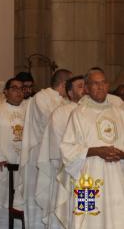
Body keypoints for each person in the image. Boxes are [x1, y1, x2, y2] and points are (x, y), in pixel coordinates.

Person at [58, 69, 124, 229]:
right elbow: (67, 149)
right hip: (86, 181)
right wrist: (95, 151)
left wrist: (122, 154)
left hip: (117, 179)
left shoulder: (120, 113)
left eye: (103, 83)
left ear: (108, 86)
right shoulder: (78, 114)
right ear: (86, 88)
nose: (100, 87)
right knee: (86, 219)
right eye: (95, 83)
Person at [19, 69, 72, 228]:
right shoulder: (42, 98)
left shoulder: (67, 101)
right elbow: (53, 124)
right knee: (42, 203)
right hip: (41, 159)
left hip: (59, 159)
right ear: (64, 84)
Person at [36, 75, 85, 228]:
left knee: (88, 214)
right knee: (67, 213)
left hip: (91, 174)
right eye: (80, 86)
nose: (86, 89)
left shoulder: (94, 111)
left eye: (86, 86)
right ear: (69, 92)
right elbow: (59, 146)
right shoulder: (60, 113)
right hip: (67, 174)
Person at [0, 78, 27, 228]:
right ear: (6, 92)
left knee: (23, 204)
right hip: (3, 167)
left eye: (21, 88)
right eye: (14, 88)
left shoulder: (29, 109)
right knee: (0, 202)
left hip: (24, 167)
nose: (19, 92)